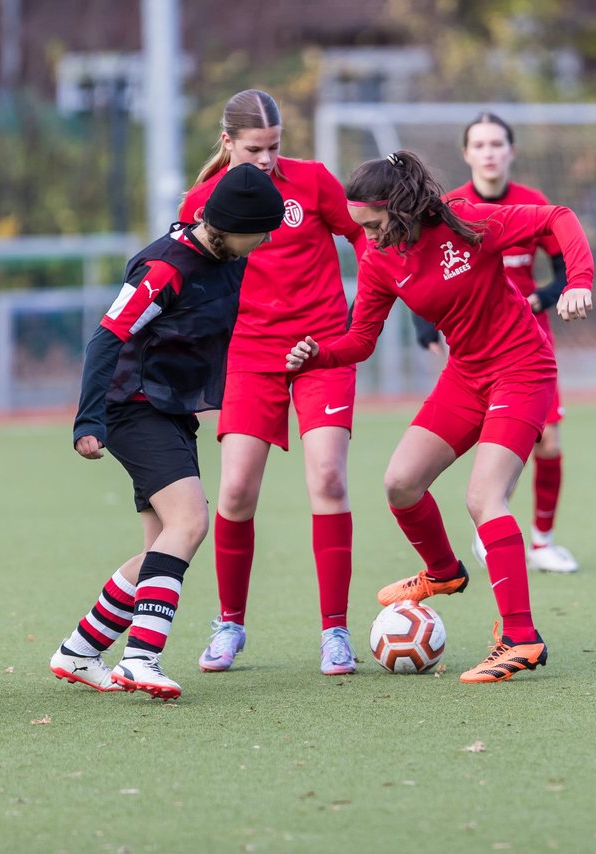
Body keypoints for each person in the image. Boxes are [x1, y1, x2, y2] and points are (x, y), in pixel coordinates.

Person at [286, 150, 594, 684]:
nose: (369, 237)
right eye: (360, 228)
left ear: (400, 207)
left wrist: (578, 281)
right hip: (466, 375)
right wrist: (320, 354)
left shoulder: (466, 219)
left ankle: (520, 638)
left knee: (484, 498)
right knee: (401, 484)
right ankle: (445, 572)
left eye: (375, 225)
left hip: (522, 369)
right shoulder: (380, 258)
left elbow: (556, 217)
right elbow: (361, 339)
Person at [49, 163, 284, 701]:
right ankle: (140, 659)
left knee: (162, 547)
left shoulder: (228, 257)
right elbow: (106, 339)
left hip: (169, 410)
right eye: (260, 230)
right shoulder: (165, 268)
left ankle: (80, 650)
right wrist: (88, 419)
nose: (266, 240)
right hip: (132, 407)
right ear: (227, 224)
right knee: (191, 521)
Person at [178, 89, 367, 676]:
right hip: (251, 354)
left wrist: (363, 316)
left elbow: (363, 237)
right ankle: (229, 623)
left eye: (274, 147)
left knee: (330, 479)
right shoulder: (201, 201)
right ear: (227, 141)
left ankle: (335, 632)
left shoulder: (312, 183)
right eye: (254, 149)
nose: (265, 160)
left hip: (321, 348)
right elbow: (187, 278)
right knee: (234, 491)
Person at [412, 112, 579, 573]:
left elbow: (563, 271)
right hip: (469, 345)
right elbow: (417, 269)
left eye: (497, 144)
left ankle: (542, 542)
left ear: (511, 152)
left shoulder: (532, 203)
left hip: (528, 342)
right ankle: (491, 527)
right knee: (491, 440)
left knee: (548, 440)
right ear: (466, 153)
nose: (488, 152)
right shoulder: (448, 208)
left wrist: (540, 300)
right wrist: (425, 329)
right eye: (479, 145)